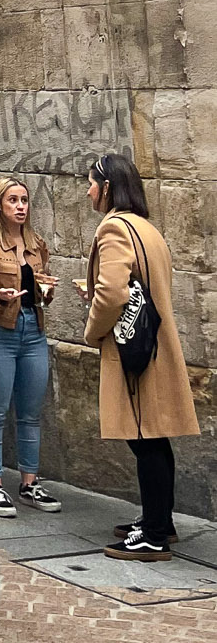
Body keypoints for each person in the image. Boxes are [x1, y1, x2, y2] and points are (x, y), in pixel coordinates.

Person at [79, 152, 198, 560]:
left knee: (144, 437)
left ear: (108, 186)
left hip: (135, 353)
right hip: (156, 346)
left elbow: (113, 292)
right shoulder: (146, 228)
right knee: (152, 437)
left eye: (91, 182)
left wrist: (93, 328)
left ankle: (153, 534)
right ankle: (158, 522)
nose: (88, 189)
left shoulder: (114, 227)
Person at [0, 176, 61, 516]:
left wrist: (47, 289)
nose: (21, 207)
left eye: (24, 200)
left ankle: (29, 482)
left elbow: (41, 284)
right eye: (13, 201)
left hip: (32, 328)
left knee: (31, 412)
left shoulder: (36, 243)